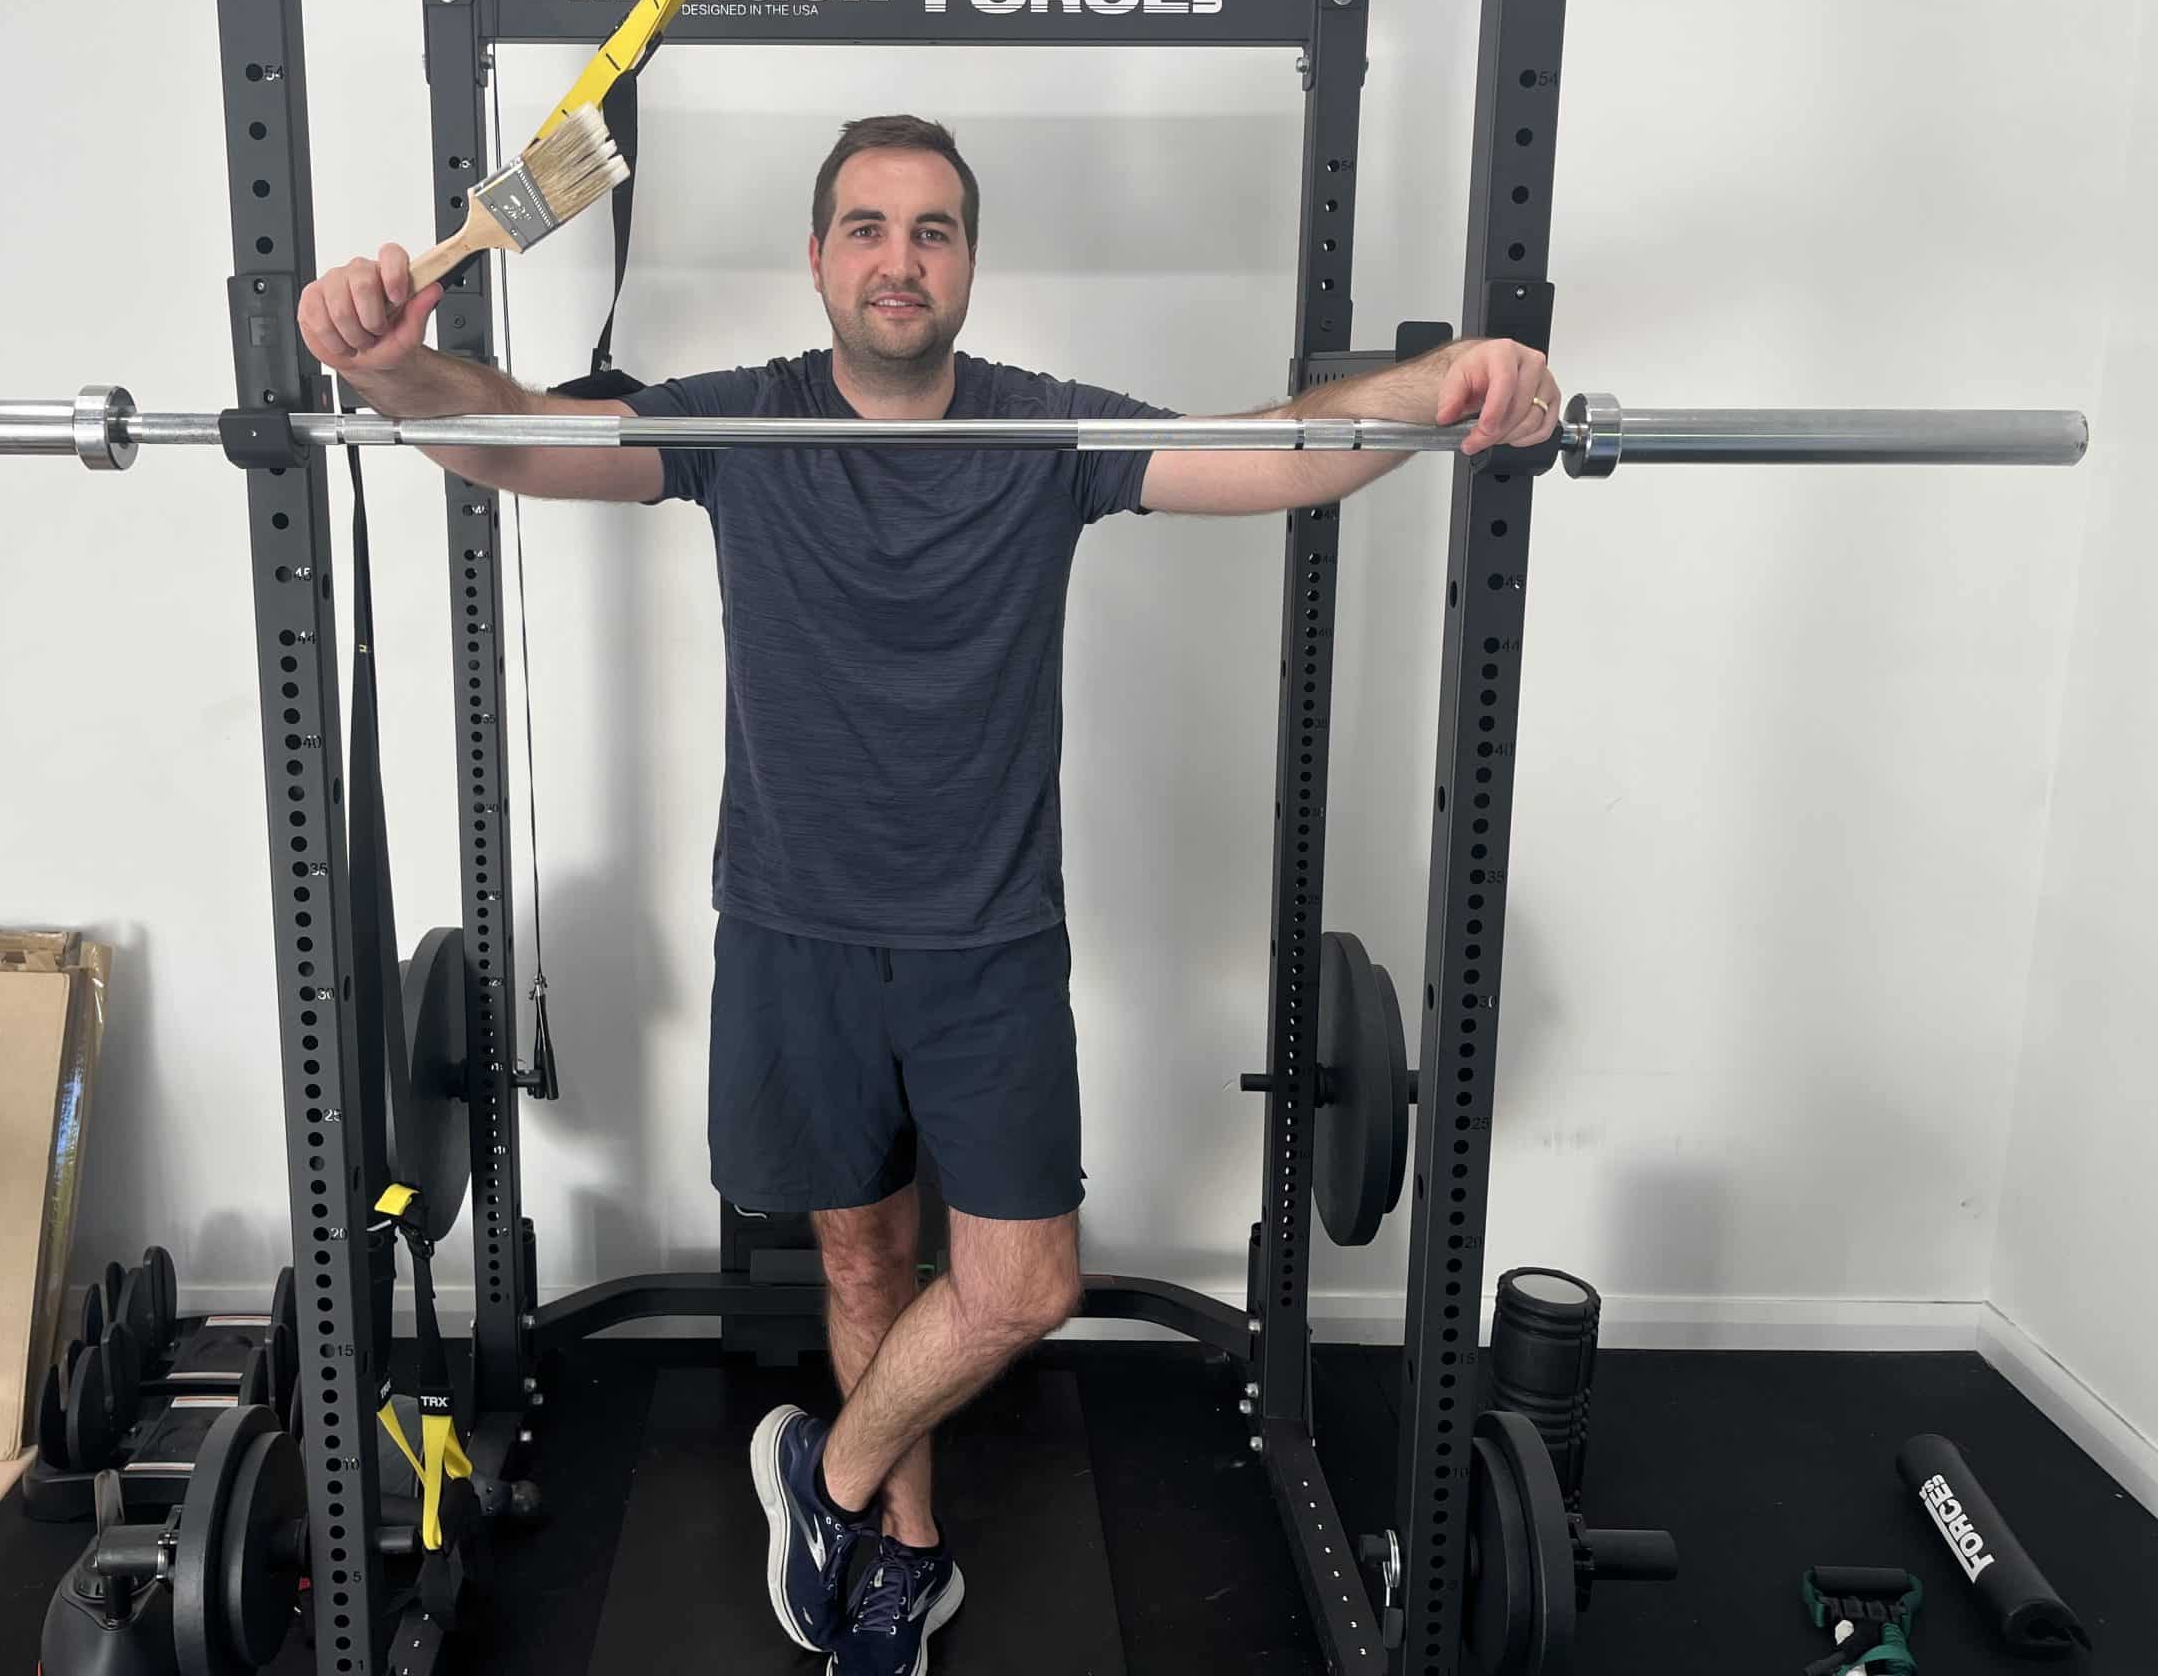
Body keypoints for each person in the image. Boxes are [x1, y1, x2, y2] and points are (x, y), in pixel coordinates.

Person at [296, 114, 1561, 1675]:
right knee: (861, 1263)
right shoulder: (743, 423)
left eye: (934, 229)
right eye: (869, 227)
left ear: (968, 263)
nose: (900, 259)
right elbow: (519, 440)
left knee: (1021, 1285)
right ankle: (898, 1551)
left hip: (991, 944)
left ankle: (818, 1480)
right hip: (795, 931)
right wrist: (392, 370)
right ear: (819, 258)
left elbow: (1278, 450)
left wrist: (1441, 385)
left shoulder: (1043, 434)